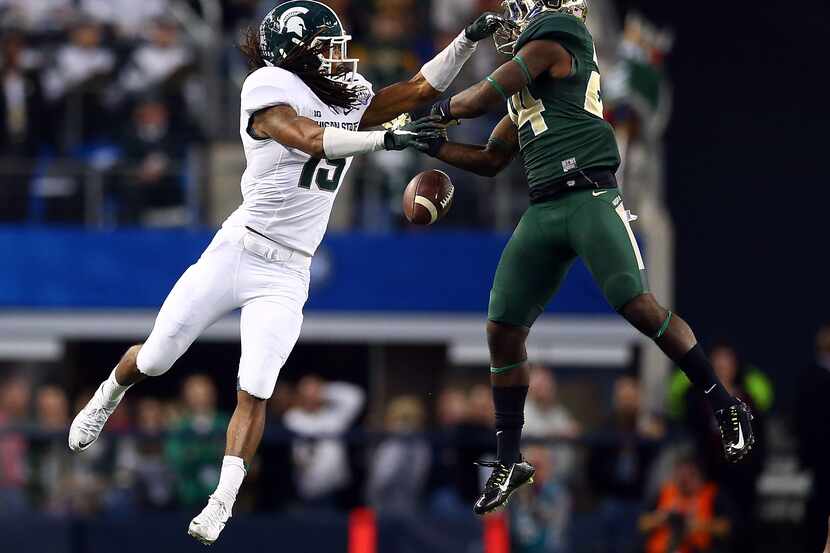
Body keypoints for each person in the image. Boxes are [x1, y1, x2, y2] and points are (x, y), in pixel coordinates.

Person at [67, 1, 508, 544]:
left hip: (289, 270)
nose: (340, 57)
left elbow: (418, 91)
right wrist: (387, 139)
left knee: (256, 385)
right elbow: (309, 138)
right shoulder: (267, 87)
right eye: (326, 47)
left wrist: (466, 38)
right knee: (157, 357)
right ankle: (109, 393)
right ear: (294, 56)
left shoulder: (347, 94)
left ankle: (223, 499)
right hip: (239, 249)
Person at [401, 0, 754, 514]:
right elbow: (491, 159)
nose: (516, 15)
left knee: (637, 305)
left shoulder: (557, 38)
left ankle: (724, 403)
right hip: (544, 207)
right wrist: (432, 147)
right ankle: (509, 459)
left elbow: (481, 95)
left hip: (590, 195)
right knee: (502, 328)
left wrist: (433, 112)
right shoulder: (533, 76)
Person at [283, 376, 364, 506]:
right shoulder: (294, 418)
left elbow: (356, 396)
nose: (310, 397)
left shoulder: (333, 417)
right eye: (306, 393)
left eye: (314, 393)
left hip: (336, 488)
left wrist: (325, 391)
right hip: (309, 488)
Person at [639, 452, 733, 553]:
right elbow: (642, 524)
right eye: (680, 474)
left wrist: (694, 525)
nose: (684, 480)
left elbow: (727, 528)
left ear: (699, 475)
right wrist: (662, 518)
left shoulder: (712, 495)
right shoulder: (665, 492)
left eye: (689, 475)